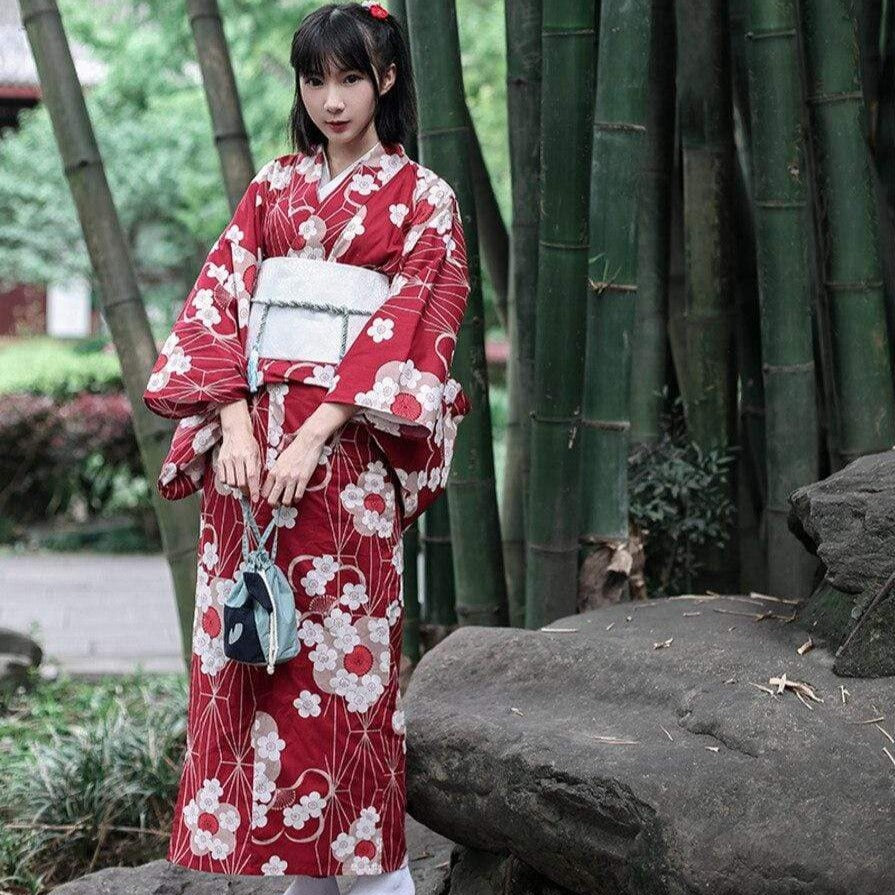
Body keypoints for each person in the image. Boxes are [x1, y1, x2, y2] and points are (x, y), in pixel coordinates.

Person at [141, 2, 471, 893]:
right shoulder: (271, 188)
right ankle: (300, 875)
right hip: (247, 469)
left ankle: (370, 873)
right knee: (259, 661)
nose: (331, 99)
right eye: (315, 79)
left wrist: (318, 429)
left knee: (344, 680)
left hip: (346, 466)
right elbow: (219, 304)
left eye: (351, 78)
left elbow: (414, 328)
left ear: (387, 80)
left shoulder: (423, 200)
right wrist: (239, 427)